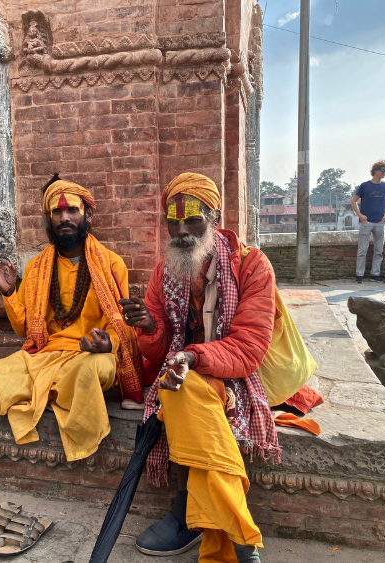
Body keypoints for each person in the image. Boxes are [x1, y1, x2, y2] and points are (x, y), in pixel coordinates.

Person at [120, 173, 279, 562]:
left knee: (182, 391)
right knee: (178, 389)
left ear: (216, 215)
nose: (181, 231)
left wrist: (192, 357)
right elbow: (157, 353)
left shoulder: (251, 264)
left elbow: (250, 347)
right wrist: (149, 328)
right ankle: (241, 538)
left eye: (193, 219)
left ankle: (185, 513)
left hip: (235, 375)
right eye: (172, 222)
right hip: (183, 373)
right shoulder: (163, 272)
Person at [0, 177, 145, 462]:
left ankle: (52, 399)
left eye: (72, 211)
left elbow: (119, 325)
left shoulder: (111, 264)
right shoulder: (37, 266)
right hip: (41, 357)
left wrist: (107, 345)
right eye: (56, 212)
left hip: (88, 357)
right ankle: (51, 392)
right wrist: (9, 292)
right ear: (49, 218)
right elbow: (25, 330)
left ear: (88, 216)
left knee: (89, 372)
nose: (64, 218)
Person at [350, 159, 385, 283]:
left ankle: (375, 274)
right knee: (362, 250)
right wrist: (360, 215)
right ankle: (359, 275)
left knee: (378, 250)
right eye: (383, 170)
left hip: (380, 222)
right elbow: (354, 201)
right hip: (366, 222)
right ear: (375, 171)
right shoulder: (365, 185)